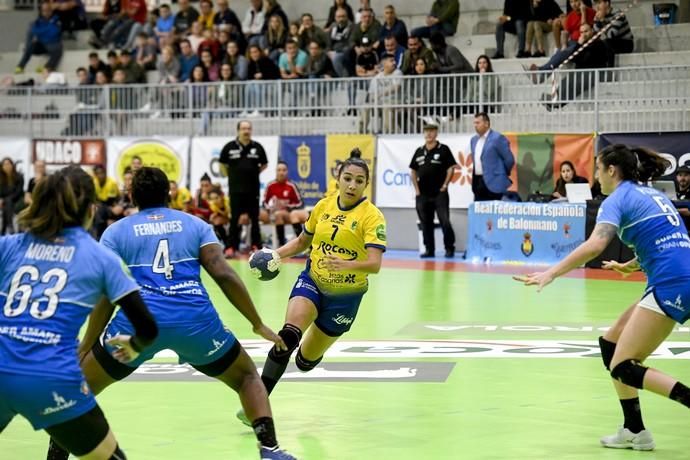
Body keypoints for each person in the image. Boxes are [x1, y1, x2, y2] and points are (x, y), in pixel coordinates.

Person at [45, 167, 295, 460]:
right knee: (248, 378)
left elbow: (105, 292)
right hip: (196, 324)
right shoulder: (195, 224)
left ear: (132, 196)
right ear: (169, 194)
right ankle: (270, 449)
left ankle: (55, 458)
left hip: (137, 326)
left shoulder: (116, 231)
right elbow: (223, 274)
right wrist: (257, 323)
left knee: (76, 391)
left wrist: (87, 345)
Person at [517, 145, 690, 451]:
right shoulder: (650, 195)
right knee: (611, 347)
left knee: (624, 366)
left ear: (612, 170)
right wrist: (629, 266)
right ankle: (634, 429)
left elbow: (595, 245)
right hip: (676, 277)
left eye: (598, 168)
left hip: (672, 283)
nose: (596, 175)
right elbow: (667, 239)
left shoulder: (618, 199)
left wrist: (551, 273)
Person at [1, 166, 158, 460]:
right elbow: (147, 328)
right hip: (50, 379)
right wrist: (133, 347)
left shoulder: (9, 246)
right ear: (91, 208)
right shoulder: (100, 257)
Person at [236, 156, 386, 425]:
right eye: (348, 179)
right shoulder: (323, 206)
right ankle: (256, 406)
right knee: (287, 337)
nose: (352, 185)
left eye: (359, 181)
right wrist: (275, 255)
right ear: (338, 179)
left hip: (345, 298)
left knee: (305, 361)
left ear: (366, 185)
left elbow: (374, 265)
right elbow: (303, 241)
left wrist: (347, 264)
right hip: (313, 281)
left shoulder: (372, 217)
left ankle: (311, 351)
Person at [219, 120, 268, 257]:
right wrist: (233, 175)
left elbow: (264, 164)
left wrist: (252, 172)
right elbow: (222, 164)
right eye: (243, 129)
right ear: (238, 130)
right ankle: (231, 247)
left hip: (253, 191)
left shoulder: (257, 147)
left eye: (248, 128)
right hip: (235, 191)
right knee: (234, 220)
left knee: (254, 220)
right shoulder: (229, 147)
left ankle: (256, 246)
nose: (246, 131)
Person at [409, 120, 457, 258]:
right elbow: (413, 171)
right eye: (426, 131)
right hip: (423, 194)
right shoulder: (419, 151)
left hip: (439, 194)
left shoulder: (444, 149)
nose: (429, 134)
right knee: (426, 223)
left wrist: (445, 185)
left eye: (432, 131)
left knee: (445, 221)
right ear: (424, 133)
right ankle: (429, 250)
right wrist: (417, 191)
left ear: (436, 133)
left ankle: (449, 248)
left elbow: (451, 168)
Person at [261, 161, 308, 247]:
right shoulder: (271, 185)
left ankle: (302, 244)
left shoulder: (291, 185)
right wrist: (270, 208)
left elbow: (301, 203)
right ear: (276, 171)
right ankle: (281, 244)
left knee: (287, 214)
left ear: (287, 172)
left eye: (284, 170)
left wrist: (287, 206)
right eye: (279, 170)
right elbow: (264, 202)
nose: (281, 172)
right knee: (275, 214)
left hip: (290, 214)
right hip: (276, 214)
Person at [470, 112, 515, 201]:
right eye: (474, 123)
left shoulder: (497, 138)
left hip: (494, 182)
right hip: (478, 181)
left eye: (478, 123)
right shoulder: (473, 140)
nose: (475, 125)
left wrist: (501, 172)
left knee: (494, 212)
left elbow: (509, 159)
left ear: (486, 123)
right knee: (479, 212)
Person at [16, 1, 63, 74]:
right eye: (44, 10)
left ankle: (46, 67)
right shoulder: (37, 21)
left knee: (59, 49)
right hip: (42, 45)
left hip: (53, 45)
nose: (46, 12)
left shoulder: (57, 20)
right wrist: (47, 30)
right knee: (30, 45)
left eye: (48, 10)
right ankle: (20, 66)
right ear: (41, 11)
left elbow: (54, 33)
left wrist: (41, 32)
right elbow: (33, 31)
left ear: (51, 10)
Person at [0, 158, 25, 235]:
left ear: (12, 165)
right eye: (5, 164)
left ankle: (5, 228)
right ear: (1, 167)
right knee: (7, 203)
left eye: (8, 164)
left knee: (8, 201)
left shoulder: (19, 177)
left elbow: (18, 192)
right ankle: (9, 227)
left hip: (17, 200)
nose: (7, 166)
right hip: (5, 202)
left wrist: (4, 199)